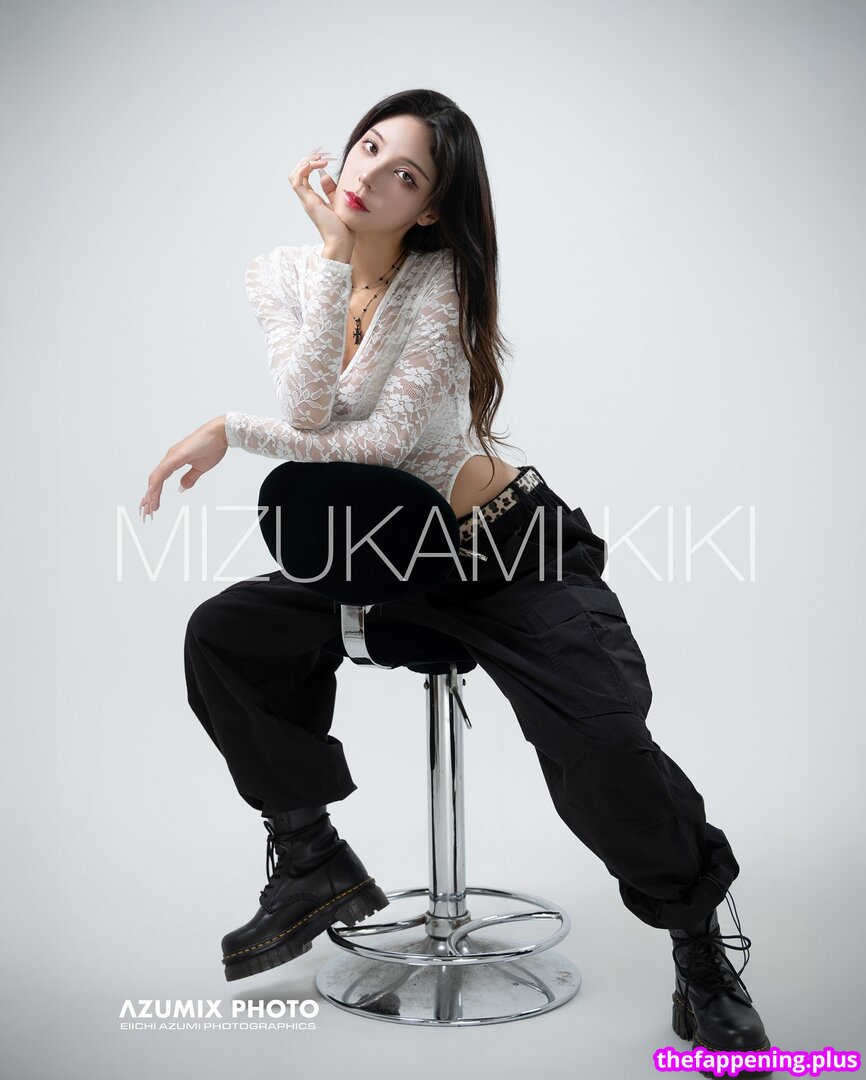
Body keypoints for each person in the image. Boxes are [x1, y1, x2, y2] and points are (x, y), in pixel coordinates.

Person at [140, 88, 770, 1065]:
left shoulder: (445, 281)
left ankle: (698, 946)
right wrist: (333, 259)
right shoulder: (282, 273)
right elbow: (307, 408)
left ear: (429, 205)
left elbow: (385, 441)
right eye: (366, 147)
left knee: (603, 736)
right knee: (225, 636)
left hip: (503, 550)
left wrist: (228, 429)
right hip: (385, 555)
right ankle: (311, 860)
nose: (369, 175)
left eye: (404, 173)